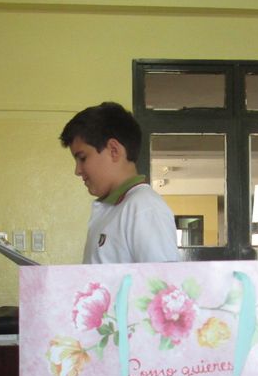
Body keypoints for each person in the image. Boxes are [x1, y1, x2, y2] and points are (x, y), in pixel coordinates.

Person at [59, 101, 179, 264]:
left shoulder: (144, 208)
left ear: (114, 150)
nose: (77, 170)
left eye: (83, 158)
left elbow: (162, 279)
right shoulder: (114, 208)